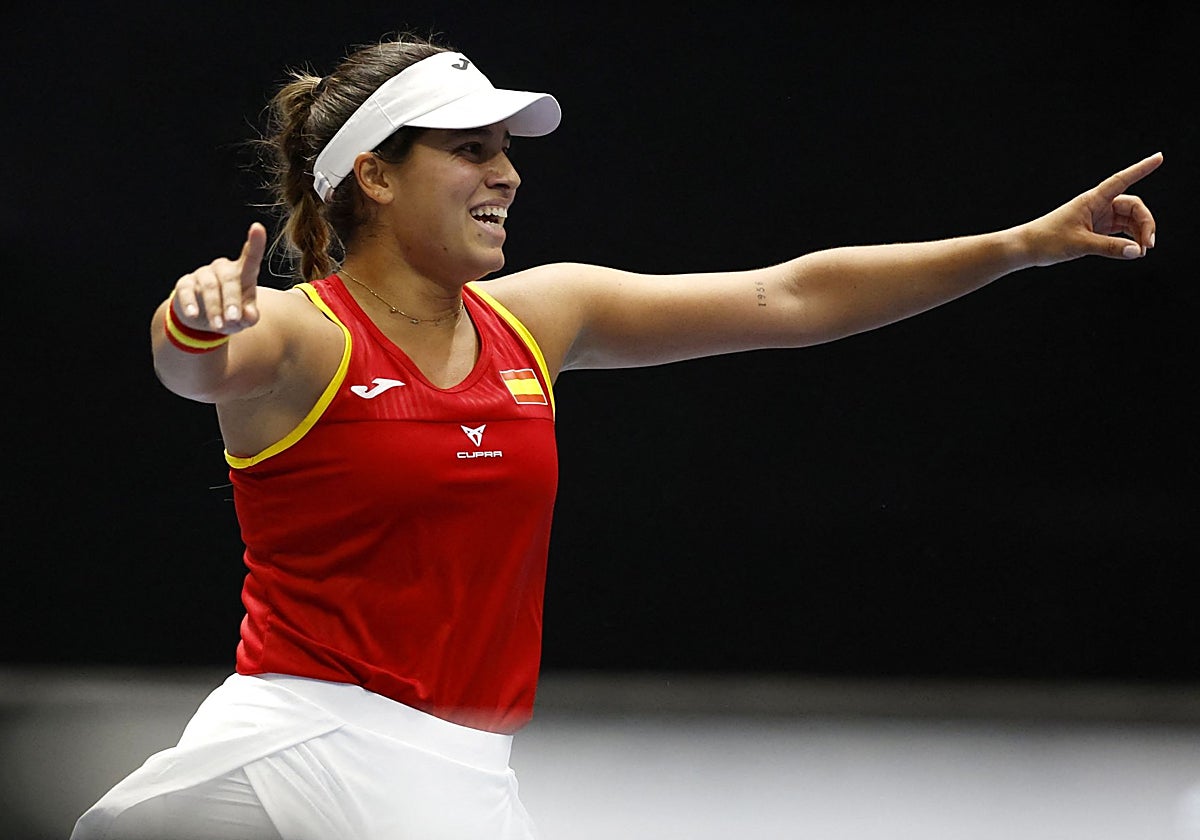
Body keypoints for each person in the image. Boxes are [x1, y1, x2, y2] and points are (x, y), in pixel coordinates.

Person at [72, 30, 1161, 840]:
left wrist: (1021, 244)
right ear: (375, 173)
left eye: (506, 149)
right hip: (294, 747)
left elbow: (789, 298)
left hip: (460, 776)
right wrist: (193, 316)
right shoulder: (302, 336)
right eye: (469, 150)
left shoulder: (542, 318)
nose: (505, 172)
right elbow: (196, 367)